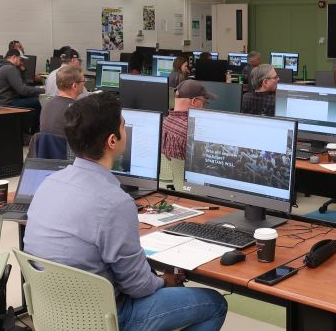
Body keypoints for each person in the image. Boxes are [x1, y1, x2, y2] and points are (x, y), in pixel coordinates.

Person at [23, 93, 227, 330]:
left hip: (56, 311)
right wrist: (164, 281)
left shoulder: (49, 183)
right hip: (107, 317)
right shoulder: (115, 203)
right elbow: (138, 286)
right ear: (112, 141)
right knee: (214, 303)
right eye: (123, 125)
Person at [0, 49, 45, 134]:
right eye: (21, 60)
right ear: (14, 57)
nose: (22, 62)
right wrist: (43, 90)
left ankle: (26, 131)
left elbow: (22, 85)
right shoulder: (10, 69)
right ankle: (33, 133)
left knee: (32, 97)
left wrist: (22, 71)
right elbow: (23, 90)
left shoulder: (1, 66)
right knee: (38, 101)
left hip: (0, 101)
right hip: (7, 103)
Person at [162, 80, 215, 160]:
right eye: (204, 103)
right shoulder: (194, 132)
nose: (204, 108)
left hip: (169, 172)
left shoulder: (163, 123)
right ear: (193, 101)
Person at [39, 65, 86, 137]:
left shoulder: (48, 104)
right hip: (66, 147)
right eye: (83, 80)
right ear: (75, 86)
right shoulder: (76, 110)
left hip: (48, 147)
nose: (84, 83)